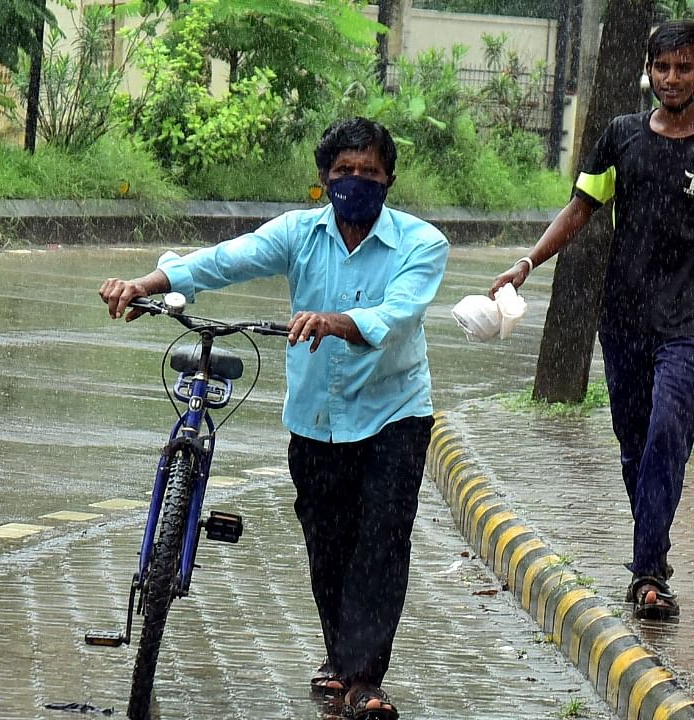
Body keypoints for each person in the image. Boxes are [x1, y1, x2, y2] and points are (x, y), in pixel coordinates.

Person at [100, 117, 448, 719]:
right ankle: (341, 659)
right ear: (324, 178)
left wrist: (337, 320)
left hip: (394, 413)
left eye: (369, 171)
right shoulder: (298, 233)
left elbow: (398, 314)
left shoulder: (422, 244)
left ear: (390, 177)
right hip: (315, 417)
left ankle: (366, 680)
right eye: (344, 171)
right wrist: (145, 283)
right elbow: (223, 261)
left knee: (381, 543)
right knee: (327, 542)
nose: (356, 182)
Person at [488, 20, 694, 620]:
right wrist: (526, 263)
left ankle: (646, 571)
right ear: (649, 70)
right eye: (662, 67)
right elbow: (580, 209)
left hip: (690, 319)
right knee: (635, 445)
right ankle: (654, 558)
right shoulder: (621, 137)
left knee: (667, 434)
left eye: (683, 68)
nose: (671, 78)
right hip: (626, 317)